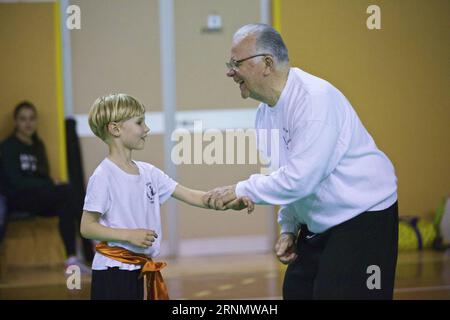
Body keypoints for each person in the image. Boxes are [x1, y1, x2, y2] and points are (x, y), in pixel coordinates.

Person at [203, 23, 399, 299]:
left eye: (236, 63)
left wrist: (242, 189)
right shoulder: (264, 113)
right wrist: (289, 228)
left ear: (267, 63)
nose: (229, 71)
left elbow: (300, 179)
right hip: (321, 222)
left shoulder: (314, 99)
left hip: (362, 215)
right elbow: (283, 174)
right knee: (297, 291)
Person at [80, 93, 253, 300]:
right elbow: (87, 227)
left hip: (138, 269)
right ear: (115, 128)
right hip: (113, 272)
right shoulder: (103, 176)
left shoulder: (149, 173)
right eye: (139, 122)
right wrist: (128, 235)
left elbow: (194, 196)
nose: (147, 129)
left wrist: (231, 201)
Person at [0, 101, 92, 272]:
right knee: (68, 192)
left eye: (32, 119)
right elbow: (16, 182)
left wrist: (49, 183)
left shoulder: (37, 145)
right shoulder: (8, 146)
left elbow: (41, 177)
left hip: (36, 196)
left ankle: (71, 259)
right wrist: (50, 183)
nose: (28, 123)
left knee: (66, 201)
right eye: (23, 119)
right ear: (16, 122)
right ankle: (91, 244)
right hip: (17, 198)